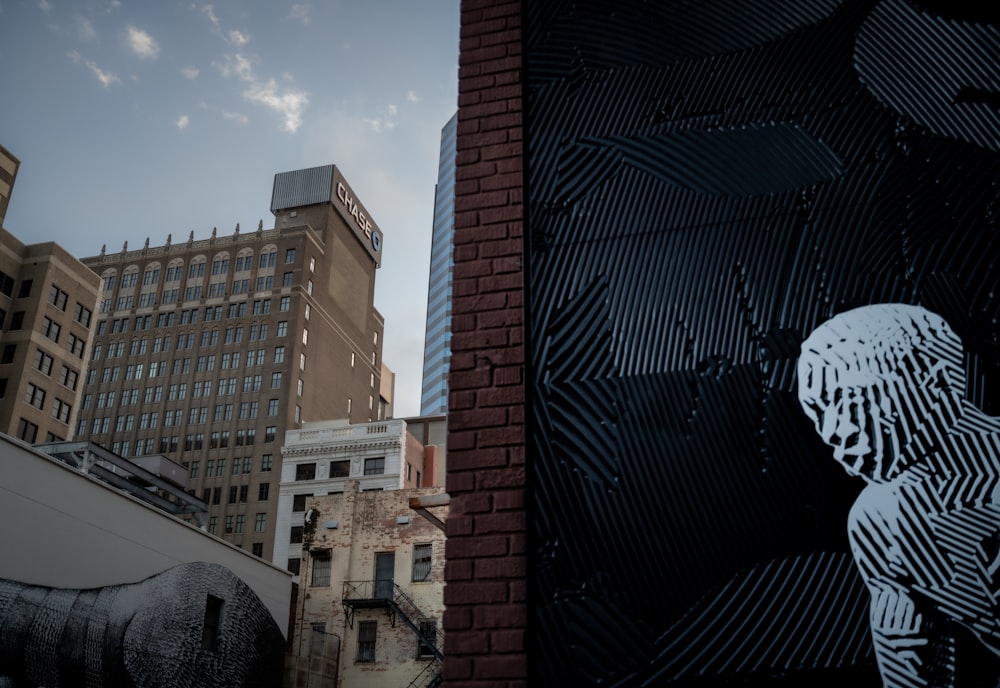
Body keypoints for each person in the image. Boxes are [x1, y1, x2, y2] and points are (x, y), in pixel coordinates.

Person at [798, 303, 1000, 687]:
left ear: (937, 383)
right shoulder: (878, 521)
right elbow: (908, 664)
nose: (837, 431)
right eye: (820, 410)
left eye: (854, 401)